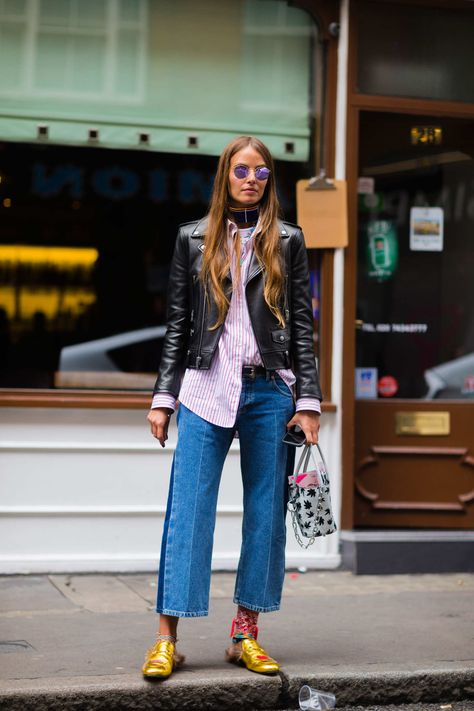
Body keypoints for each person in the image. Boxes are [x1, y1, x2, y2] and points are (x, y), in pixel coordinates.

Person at [143, 135, 322, 679]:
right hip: (203, 388)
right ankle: (166, 638)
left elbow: (302, 325)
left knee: (265, 516)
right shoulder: (192, 239)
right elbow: (178, 325)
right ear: (226, 175)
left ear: (271, 181)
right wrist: (162, 398)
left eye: (262, 172)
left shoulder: (288, 241)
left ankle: (245, 635)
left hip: (270, 391)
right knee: (188, 513)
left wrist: (309, 400)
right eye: (242, 170)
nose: (251, 179)